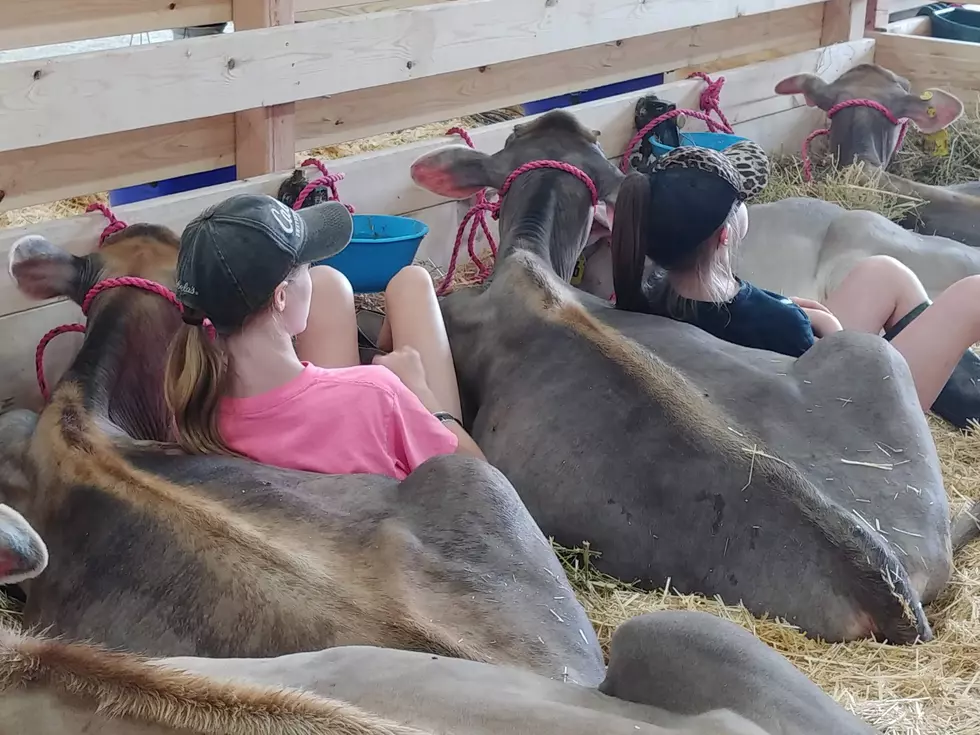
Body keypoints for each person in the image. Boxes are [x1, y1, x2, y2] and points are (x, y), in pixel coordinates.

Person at [610, 141, 980, 423]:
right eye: (739, 202)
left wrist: (791, 311)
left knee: (881, 272)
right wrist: (835, 333)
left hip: (781, 380)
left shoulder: (655, 293)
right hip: (848, 420)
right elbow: (827, 383)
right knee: (972, 296)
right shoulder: (775, 323)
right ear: (724, 235)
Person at [164, 193, 485, 479]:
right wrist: (419, 393)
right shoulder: (379, 394)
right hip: (397, 489)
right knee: (412, 282)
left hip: (311, 479)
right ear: (280, 297)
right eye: (306, 264)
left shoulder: (192, 413)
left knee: (328, 283)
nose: (311, 274)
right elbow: (483, 484)